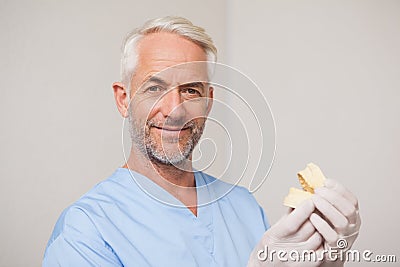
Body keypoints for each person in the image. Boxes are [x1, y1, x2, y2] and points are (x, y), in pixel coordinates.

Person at [43, 16, 360, 266]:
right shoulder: (86, 230)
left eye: (190, 90)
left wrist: (327, 259)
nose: (174, 111)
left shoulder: (243, 206)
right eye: (155, 88)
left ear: (209, 101)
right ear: (123, 100)